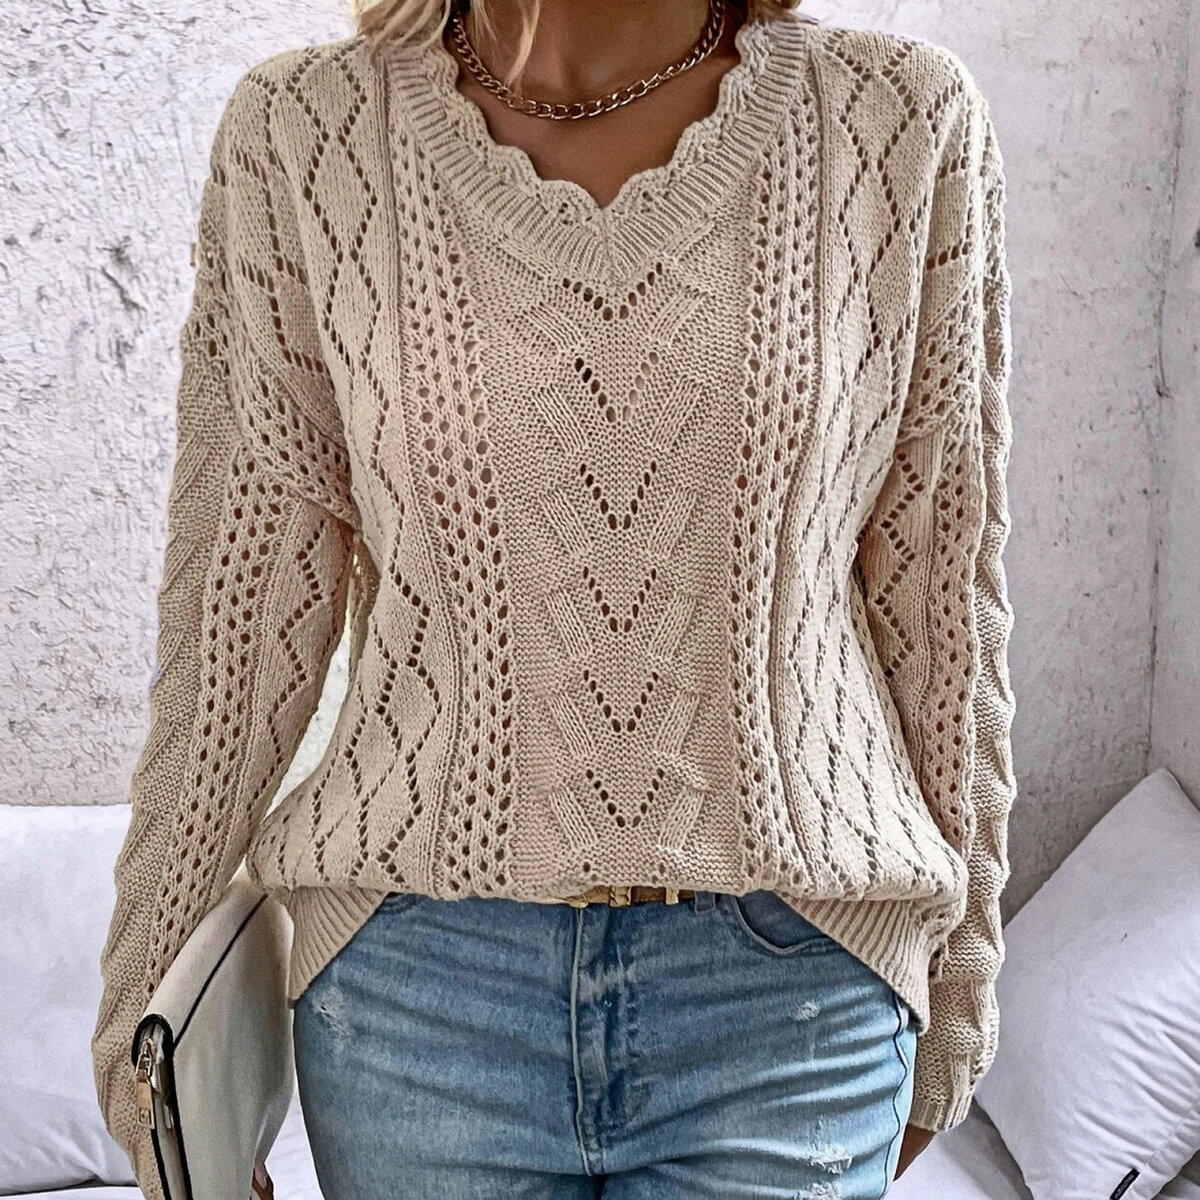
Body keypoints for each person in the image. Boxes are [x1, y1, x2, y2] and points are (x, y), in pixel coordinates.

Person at [91, 0, 1017, 1196]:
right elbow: (236, 627)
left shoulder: (900, 120)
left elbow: (945, 617)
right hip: (418, 1001)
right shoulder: (302, 132)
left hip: (790, 996)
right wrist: (145, 1034)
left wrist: (960, 994)